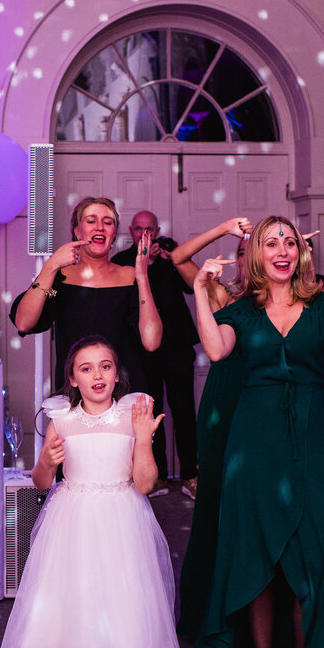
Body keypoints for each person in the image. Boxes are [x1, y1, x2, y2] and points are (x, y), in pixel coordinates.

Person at [190, 217, 324, 648]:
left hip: (313, 436)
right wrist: (200, 292)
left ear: (301, 253)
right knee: (257, 555)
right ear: (257, 254)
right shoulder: (243, 310)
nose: (282, 249)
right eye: (271, 242)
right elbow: (216, 350)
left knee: (312, 553)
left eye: (290, 242)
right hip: (255, 441)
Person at [0, 335, 181, 648]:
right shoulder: (61, 418)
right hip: (72, 522)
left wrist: (143, 438)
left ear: (117, 375)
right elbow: (41, 482)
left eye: (105, 366)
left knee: (122, 610)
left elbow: (145, 483)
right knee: (64, 612)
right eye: (86, 368)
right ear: (73, 379)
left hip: (122, 518)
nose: (97, 374)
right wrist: (46, 462)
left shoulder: (131, 414)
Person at [164, 216, 251, 637]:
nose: (249, 259)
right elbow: (178, 258)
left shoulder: (291, 298)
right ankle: (211, 607)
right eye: (243, 252)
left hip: (265, 396)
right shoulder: (222, 293)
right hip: (225, 397)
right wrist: (224, 229)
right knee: (218, 496)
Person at [10, 197, 161, 397]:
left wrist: (142, 277)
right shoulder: (59, 277)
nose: (100, 227)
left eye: (107, 222)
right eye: (91, 221)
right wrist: (50, 266)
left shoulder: (132, 276)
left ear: (114, 233)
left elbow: (152, 342)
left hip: (125, 394)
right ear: (77, 230)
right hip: (74, 396)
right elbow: (24, 323)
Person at [111, 210, 199, 498]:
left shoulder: (171, 259)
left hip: (177, 347)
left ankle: (190, 475)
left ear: (158, 231)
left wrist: (173, 258)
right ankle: (156, 476)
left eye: (150, 229)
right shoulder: (121, 262)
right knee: (150, 412)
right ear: (131, 231)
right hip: (140, 350)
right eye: (139, 229)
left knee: (184, 411)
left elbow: (193, 287)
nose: (145, 234)